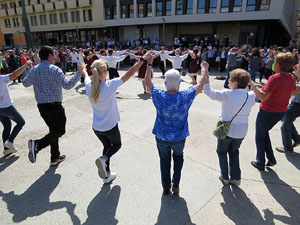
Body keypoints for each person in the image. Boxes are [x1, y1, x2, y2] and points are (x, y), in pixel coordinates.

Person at [82, 53, 150, 183]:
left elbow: (85, 76)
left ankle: (107, 174)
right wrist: (142, 60)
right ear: (104, 72)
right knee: (117, 145)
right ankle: (104, 159)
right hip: (110, 127)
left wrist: (83, 70)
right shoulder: (110, 85)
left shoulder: (89, 87)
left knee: (107, 146)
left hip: (97, 128)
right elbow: (129, 74)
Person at [144, 51, 205, 195]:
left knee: (164, 161)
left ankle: (165, 186)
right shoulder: (185, 96)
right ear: (179, 83)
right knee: (178, 158)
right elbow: (201, 84)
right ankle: (176, 183)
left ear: (165, 83)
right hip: (179, 137)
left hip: (162, 136)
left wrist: (149, 64)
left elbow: (148, 82)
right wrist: (204, 69)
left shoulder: (159, 95)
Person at [22, 46, 83, 166]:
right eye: (54, 54)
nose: (55, 56)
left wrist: (30, 70)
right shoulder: (55, 69)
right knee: (60, 130)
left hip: (42, 106)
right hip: (54, 106)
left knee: (53, 130)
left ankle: (54, 157)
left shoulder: (35, 69)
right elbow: (68, 85)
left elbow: (25, 83)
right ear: (50, 56)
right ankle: (37, 144)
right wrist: (79, 74)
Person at [202, 65, 256, 186]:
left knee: (221, 152)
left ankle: (225, 176)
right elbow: (253, 93)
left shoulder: (227, 94)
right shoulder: (251, 95)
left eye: (230, 80)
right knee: (234, 152)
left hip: (225, 130)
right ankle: (236, 178)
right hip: (241, 131)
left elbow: (208, 92)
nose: (228, 82)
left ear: (235, 83)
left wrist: (206, 74)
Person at [251, 52, 300, 171]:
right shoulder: (291, 78)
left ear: (277, 64)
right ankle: (271, 159)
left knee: (259, 136)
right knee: (264, 133)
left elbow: (263, 97)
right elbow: (294, 92)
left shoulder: (274, 77)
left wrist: (253, 85)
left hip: (267, 111)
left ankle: (260, 162)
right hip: (281, 111)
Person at [0, 61, 32, 156]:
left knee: (7, 126)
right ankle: (10, 141)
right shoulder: (1, 79)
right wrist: (25, 65)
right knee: (21, 122)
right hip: (6, 106)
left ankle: (7, 149)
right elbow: (13, 75)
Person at [276, 64, 300, 154]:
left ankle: (287, 148)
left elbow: (295, 90)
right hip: (295, 104)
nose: (297, 69)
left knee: (284, 125)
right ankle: (297, 139)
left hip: (296, 104)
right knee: (286, 121)